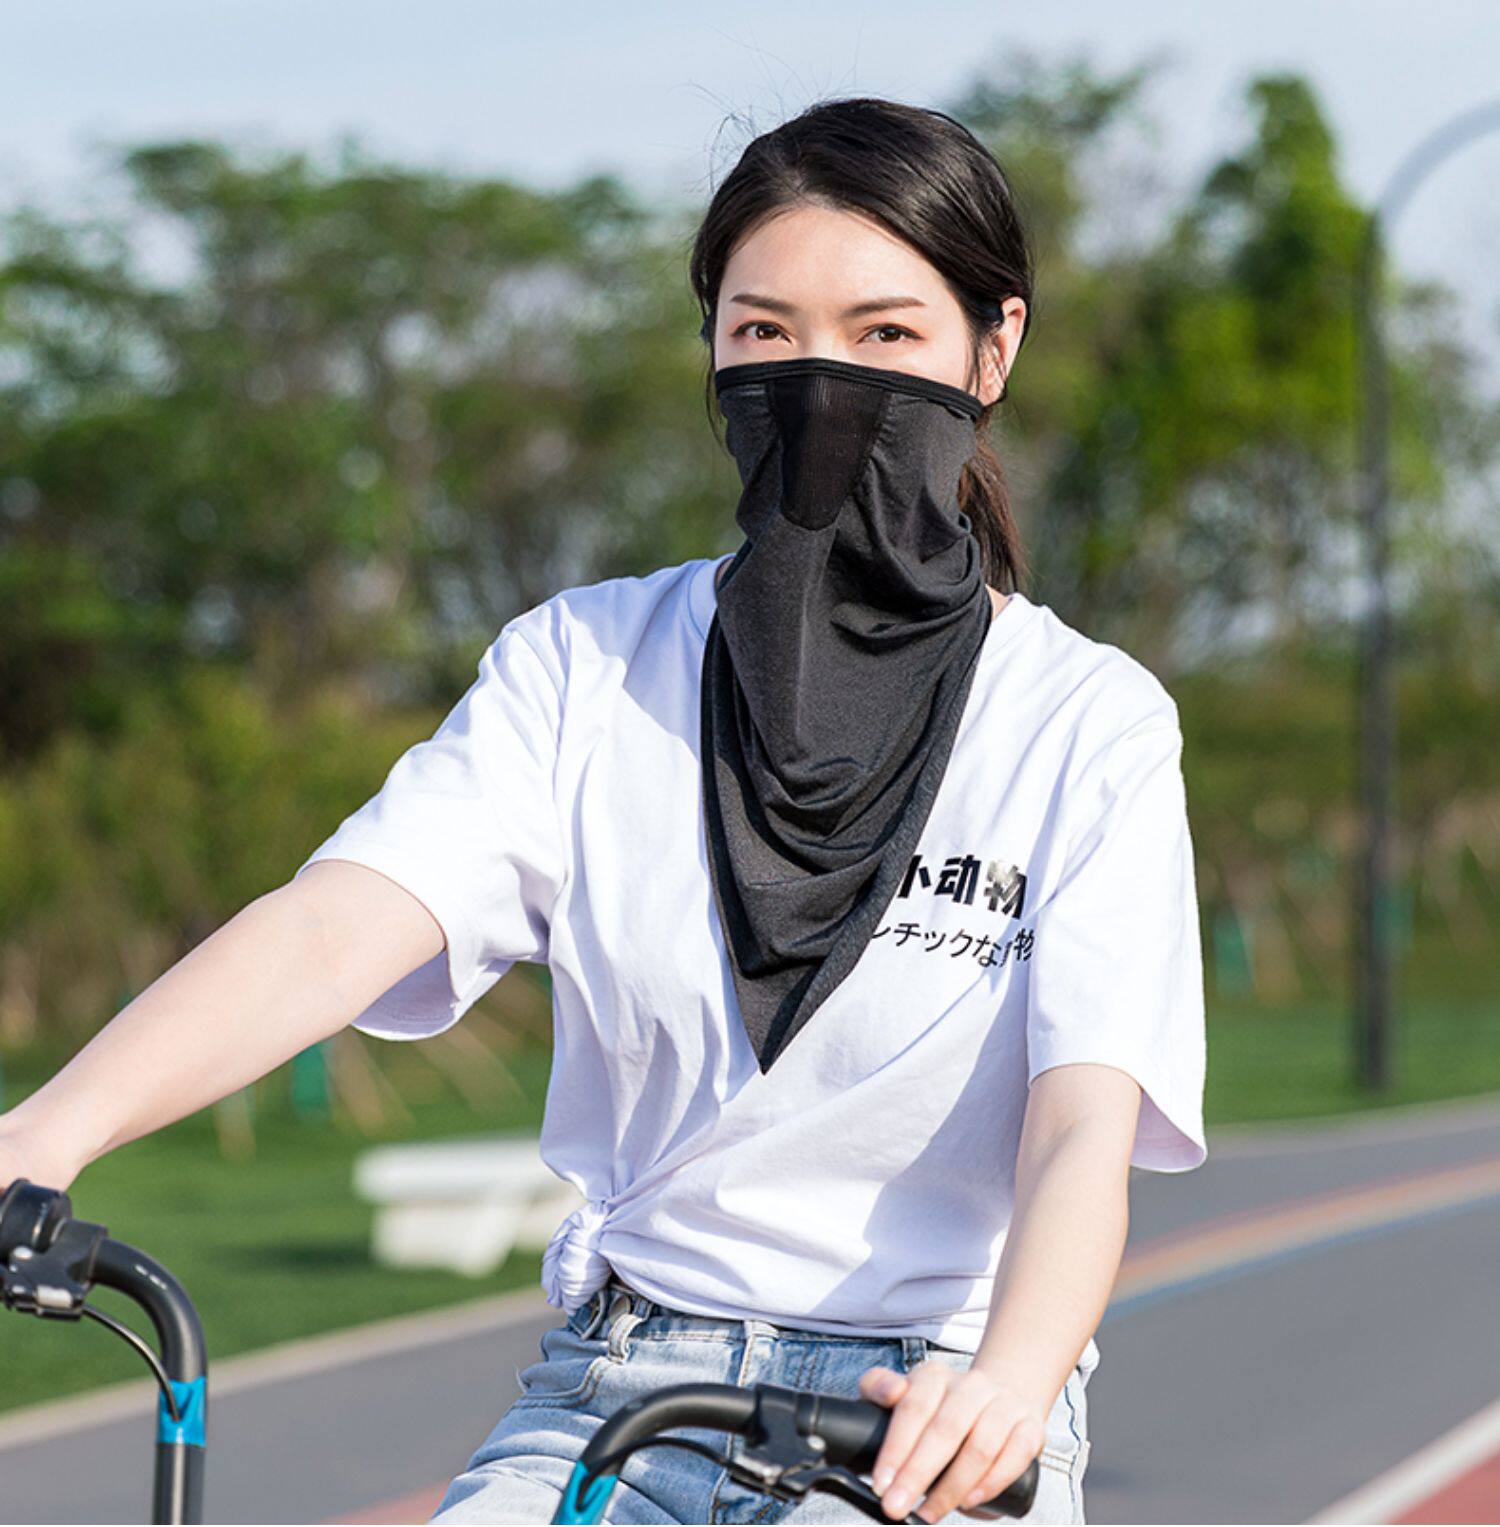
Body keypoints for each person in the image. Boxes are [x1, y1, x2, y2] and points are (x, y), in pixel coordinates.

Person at [0, 96, 1207, 1527]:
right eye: (765, 332)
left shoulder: (1086, 721)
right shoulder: (582, 664)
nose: (818, 381)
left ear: (991, 350)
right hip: (620, 1383)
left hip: (924, 1409)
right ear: (714, 350)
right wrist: (41, 1134)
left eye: (885, 334)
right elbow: (333, 929)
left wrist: (1009, 1380)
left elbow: (1080, 1125)